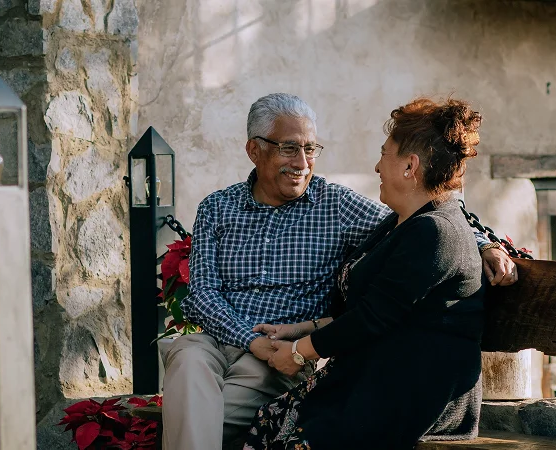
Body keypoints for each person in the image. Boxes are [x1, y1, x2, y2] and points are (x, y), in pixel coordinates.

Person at [161, 93, 515, 450]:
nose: (302, 162)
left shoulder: (337, 206)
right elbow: (202, 294)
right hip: (225, 342)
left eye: (310, 149)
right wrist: (251, 339)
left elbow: (422, 223)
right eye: (289, 148)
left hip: (276, 360)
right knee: (188, 359)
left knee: (198, 421)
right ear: (254, 150)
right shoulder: (218, 208)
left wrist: (483, 243)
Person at [244, 97, 489, 450]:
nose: (376, 166)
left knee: (294, 438)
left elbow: (373, 318)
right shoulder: (397, 222)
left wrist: (297, 351)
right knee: (270, 420)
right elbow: (367, 310)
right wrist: (302, 329)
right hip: (375, 376)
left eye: (384, 154)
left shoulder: (437, 230)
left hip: (416, 390)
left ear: (410, 166)